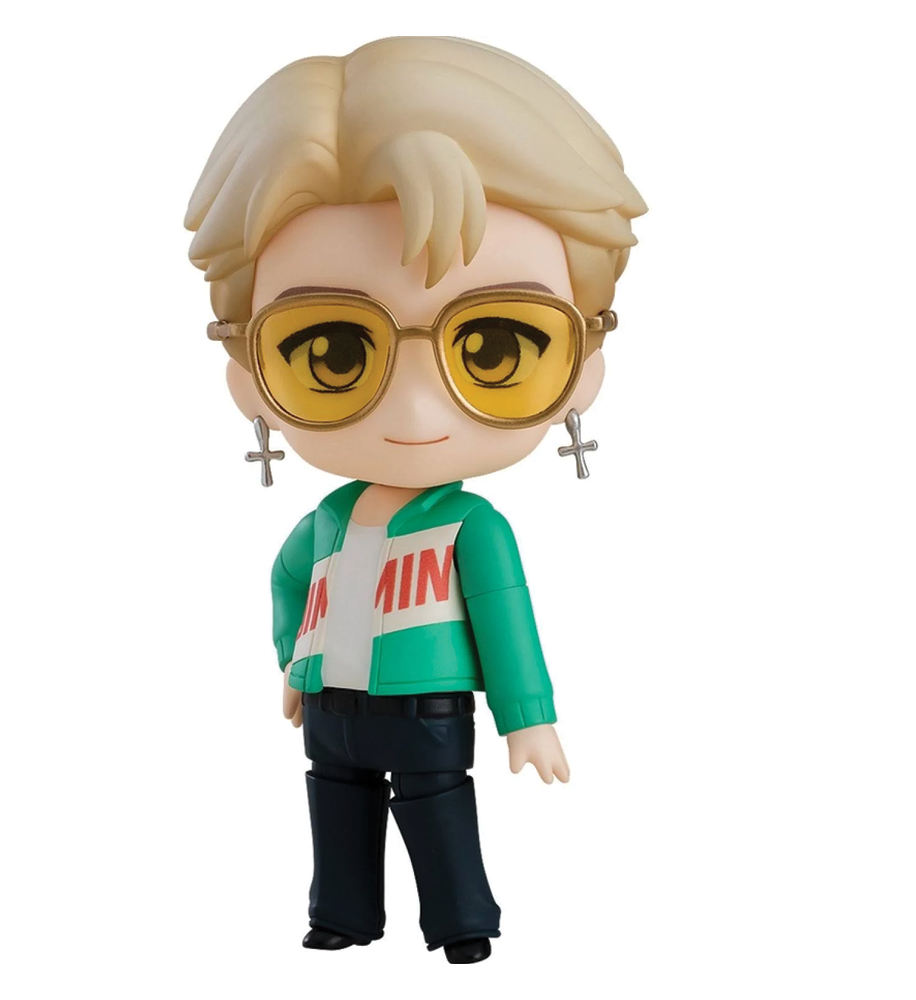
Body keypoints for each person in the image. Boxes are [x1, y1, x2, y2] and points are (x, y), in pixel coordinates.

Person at [184, 35, 646, 964]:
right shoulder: (325, 522)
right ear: (247, 377)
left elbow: (506, 621)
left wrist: (528, 717)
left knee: (437, 808)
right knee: (336, 806)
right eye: (330, 351)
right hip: (333, 704)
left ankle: (461, 922)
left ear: (584, 367)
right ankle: (342, 912)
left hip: (426, 704)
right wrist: (293, 663)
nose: (417, 409)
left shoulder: (472, 526)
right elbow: (288, 584)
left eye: (496, 347)